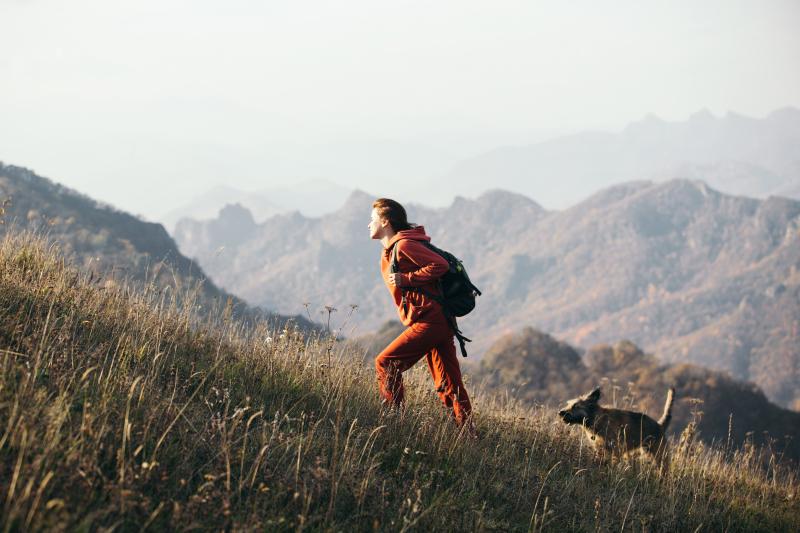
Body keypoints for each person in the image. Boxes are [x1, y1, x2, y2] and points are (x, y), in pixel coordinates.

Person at [368, 198, 473, 429]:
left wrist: (407, 279)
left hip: (431, 321)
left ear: (385, 221)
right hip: (439, 320)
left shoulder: (404, 245)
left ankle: (393, 422)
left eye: (373, 219)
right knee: (449, 382)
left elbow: (440, 265)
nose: (369, 224)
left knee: (386, 363)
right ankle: (468, 434)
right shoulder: (393, 248)